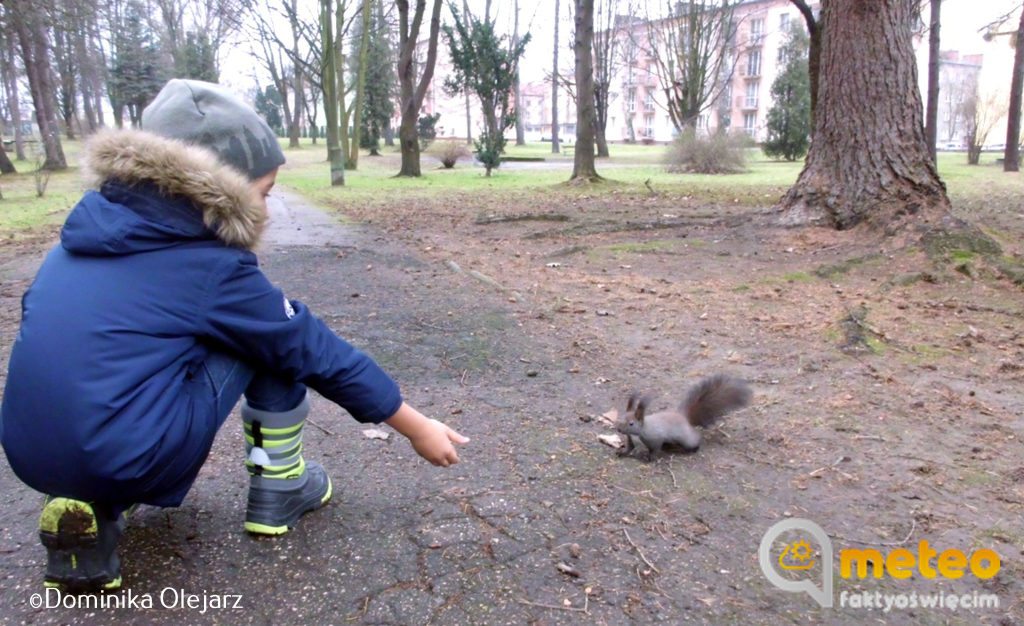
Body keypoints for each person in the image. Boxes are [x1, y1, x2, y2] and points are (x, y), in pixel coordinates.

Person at [0, 79, 469, 593]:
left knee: (140, 368)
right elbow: (314, 349)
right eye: (263, 193)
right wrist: (414, 424)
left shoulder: (70, 246)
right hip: (131, 455)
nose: (267, 211)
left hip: (29, 454)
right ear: (215, 190)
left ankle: (87, 505)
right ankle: (281, 483)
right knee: (270, 335)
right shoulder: (211, 270)